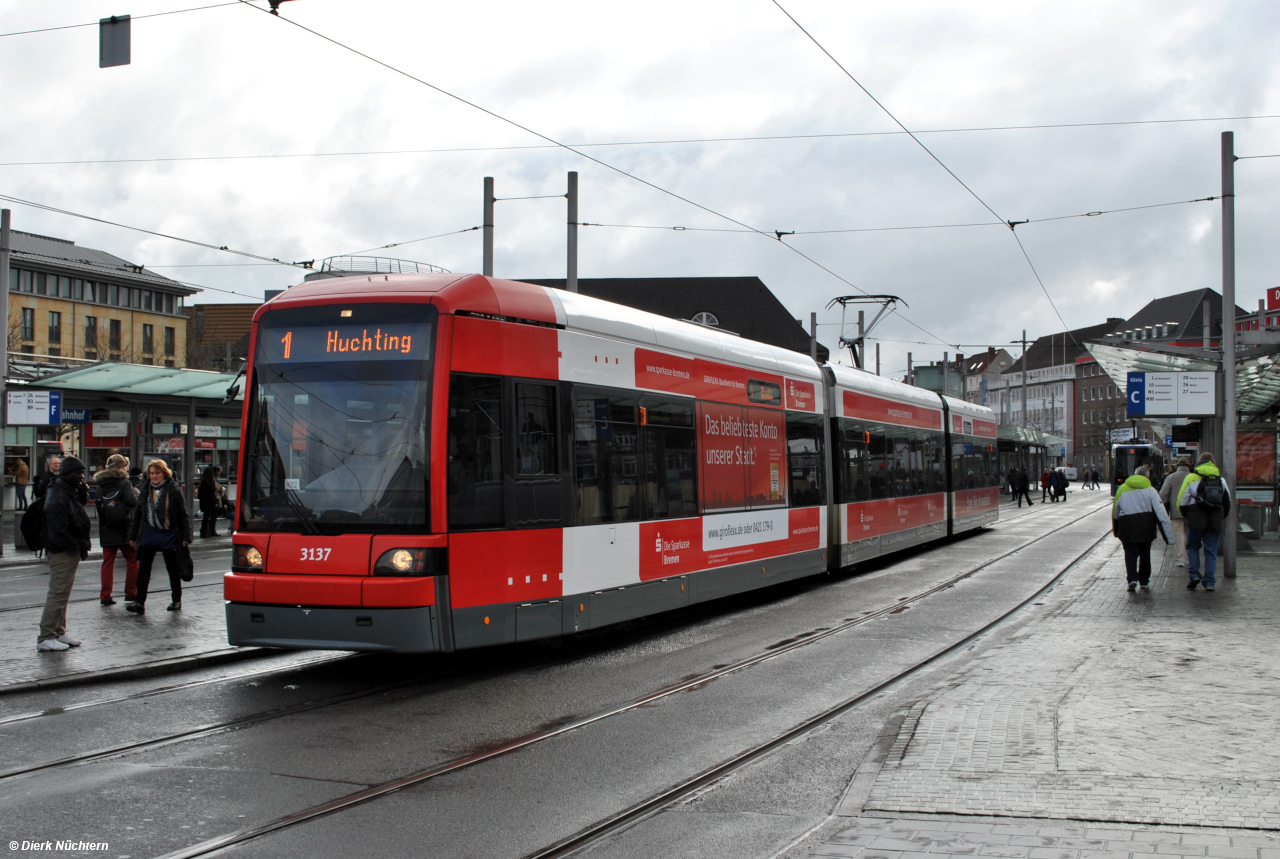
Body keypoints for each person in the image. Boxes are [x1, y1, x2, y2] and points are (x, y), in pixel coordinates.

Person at [36, 456, 91, 651]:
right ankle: (46, 635)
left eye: (83, 473)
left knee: (63, 592)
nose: (81, 476)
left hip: (67, 549)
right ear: (66, 474)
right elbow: (58, 531)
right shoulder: (58, 496)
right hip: (63, 551)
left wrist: (82, 494)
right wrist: (74, 545)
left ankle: (58, 632)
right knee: (58, 593)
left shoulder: (65, 490)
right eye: (78, 473)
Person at [127, 459, 193, 614]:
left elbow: (183, 514)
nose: (154, 476)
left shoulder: (173, 489)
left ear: (164, 473)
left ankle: (176, 600)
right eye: (151, 473)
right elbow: (138, 514)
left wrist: (186, 536)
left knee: (172, 569)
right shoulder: (145, 488)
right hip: (149, 533)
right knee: (143, 570)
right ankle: (139, 603)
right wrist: (133, 536)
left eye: (157, 473)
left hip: (169, 534)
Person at [1112, 464, 1174, 592]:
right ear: (1148, 476)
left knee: (1130, 554)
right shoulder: (1151, 490)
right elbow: (1161, 513)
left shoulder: (1122, 488)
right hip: (1146, 527)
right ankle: (1144, 581)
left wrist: (1116, 530)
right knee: (1145, 554)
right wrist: (1169, 537)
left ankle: (1132, 579)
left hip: (1127, 527)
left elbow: (1115, 512)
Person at [1177, 452, 1231, 592]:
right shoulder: (1221, 480)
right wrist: (1221, 516)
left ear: (1198, 463)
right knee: (1211, 551)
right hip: (1215, 520)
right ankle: (1209, 582)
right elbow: (1227, 501)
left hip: (1195, 518)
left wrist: (1186, 516)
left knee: (1193, 547)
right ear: (1213, 463)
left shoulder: (1191, 478)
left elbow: (1181, 501)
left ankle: (1194, 575)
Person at [95, 454, 139, 606]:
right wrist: (136, 494)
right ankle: (131, 593)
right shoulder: (124, 482)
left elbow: (99, 508)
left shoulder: (100, 484)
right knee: (132, 560)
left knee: (107, 562)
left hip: (107, 527)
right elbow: (132, 502)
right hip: (124, 527)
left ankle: (105, 595)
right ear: (121, 467)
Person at [1159, 456, 1192, 568]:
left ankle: (1180, 559)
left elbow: (1163, 495)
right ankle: (1190, 557)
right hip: (1191, 511)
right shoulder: (1193, 477)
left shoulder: (1171, 477)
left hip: (1176, 511)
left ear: (1177, 465)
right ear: (1188, 465)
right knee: (1189, 534)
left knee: (1178, 534)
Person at [197, 465, 224, 538]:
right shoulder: (210, 483)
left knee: (206, 517)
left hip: (205, 504)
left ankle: (205, 531)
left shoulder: (203, 483)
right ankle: (208, 531)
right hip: (211, 503)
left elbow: (199, 495)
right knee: (210, 517)